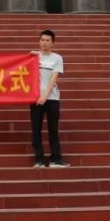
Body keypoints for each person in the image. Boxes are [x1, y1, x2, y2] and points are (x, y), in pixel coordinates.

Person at [31, 29, 68, 168]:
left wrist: (45, 96)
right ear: (39, 41)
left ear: (52, 43)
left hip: (52, 98)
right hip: (35, 98)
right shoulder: (33, 57)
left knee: (53, 129)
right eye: (42, 40)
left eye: (47, 40)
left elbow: (54, 78)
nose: (44, 43)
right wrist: (29, 56)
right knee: (36, 129)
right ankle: (39, 160)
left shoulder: (57, 58)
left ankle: (55, 159)